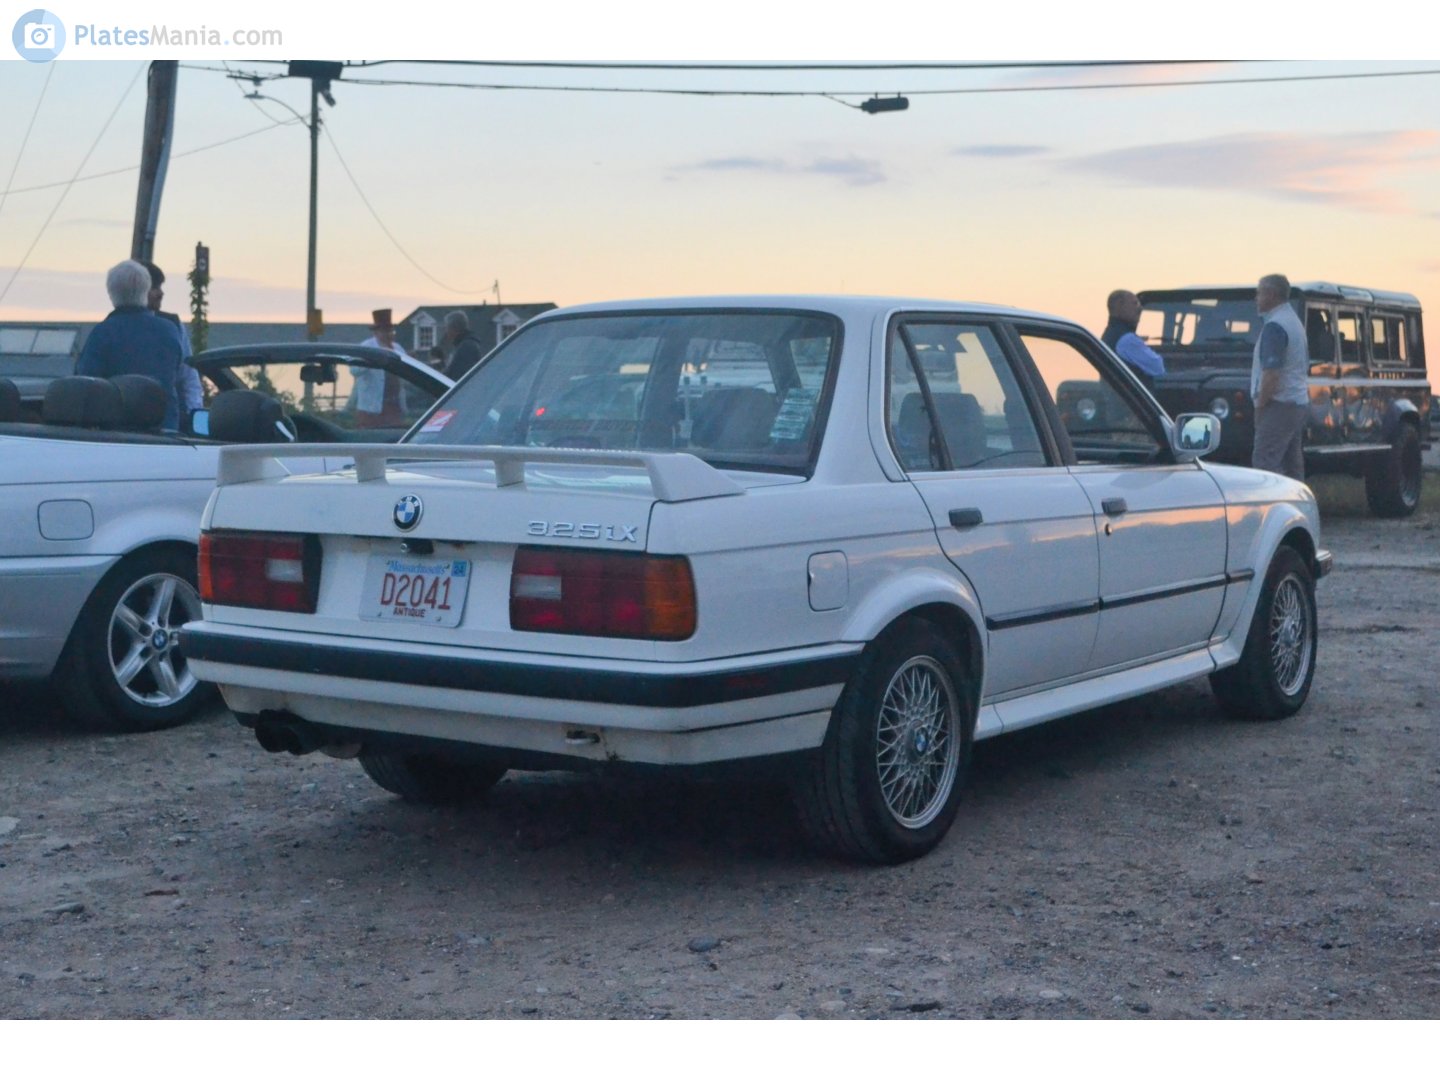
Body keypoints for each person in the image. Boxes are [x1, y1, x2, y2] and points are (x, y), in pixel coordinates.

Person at [75, 260, 183, 429]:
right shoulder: (169, 330)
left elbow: (86, 385)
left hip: (116, 434)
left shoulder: (102, 333)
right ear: (145, 290)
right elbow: (181, 377)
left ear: (111, 294)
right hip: (165, 432)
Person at [1250, 272, 1309, 481]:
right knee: (1292, 465)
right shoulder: (1293, 322)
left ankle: (1268, 508)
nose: (1256, 299)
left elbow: (1271, 374)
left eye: (1259, 293)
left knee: (1264, 461)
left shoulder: (1275, 326)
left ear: (1272, 294)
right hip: (1295, 402)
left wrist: (1260, 406)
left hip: (1279, 403)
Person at [140, 260, 204, 422]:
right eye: (155, 287)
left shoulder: (174, 325)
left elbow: (189, 376)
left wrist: (193, 415)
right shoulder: (172, 326)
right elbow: (189, 378)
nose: (161, 293)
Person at [350, 308, 415, 429]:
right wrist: (370, 360)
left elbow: (406, 375)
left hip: (394, 406)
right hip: (371, 408)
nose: (388, 334)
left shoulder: (398, 348)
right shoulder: (366, 347)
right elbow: (354, 370)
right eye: (384, 331)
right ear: (376, 332)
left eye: (390, 330)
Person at [1101, 289, 1166, 389]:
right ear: (1119, 306)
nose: (1140, 309)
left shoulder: (1109, 335)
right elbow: (1157, 367)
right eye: (1135, 304)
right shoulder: (1127, 340)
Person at [441, 310, 484, 380]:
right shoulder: (466, 345)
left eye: (446, 328)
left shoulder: (467, 348)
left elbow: (459, 377)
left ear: (454, 328)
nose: (446, 332)